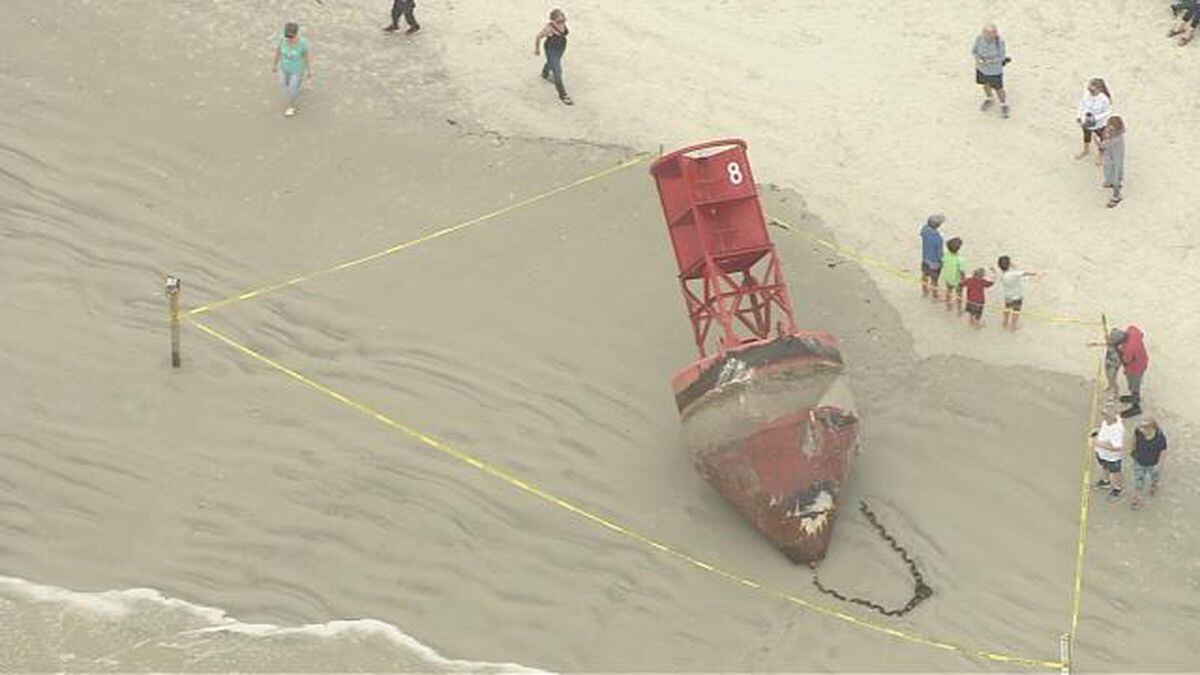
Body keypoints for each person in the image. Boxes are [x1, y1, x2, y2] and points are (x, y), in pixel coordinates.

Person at [271, 22, 311, 118]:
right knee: (284, 85)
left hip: (296, 70)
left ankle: (291, 106)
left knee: (292, 90)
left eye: (291, 37)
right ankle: (297, 89)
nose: (289, 39)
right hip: (283, 68)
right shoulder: (282, 40)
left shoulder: (303, 43)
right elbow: (278, 52)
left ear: (296, 34)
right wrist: (274, 65)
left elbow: (306, 57)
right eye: (287, 36)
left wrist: (309, 70)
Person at [534, 9, 573, 105]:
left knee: (553, 62)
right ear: (553, 20)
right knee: (557, 71)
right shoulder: (549, 28)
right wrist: (537, 49)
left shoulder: (563, 23)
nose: (562, 22)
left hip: (561, 47)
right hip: (551, 48)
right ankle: (563, 95)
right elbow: (538, 36)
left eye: (563, 20)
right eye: (559, 21)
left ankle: (545, 73)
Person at [1129, 417, 1168, 510]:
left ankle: (1154, 485)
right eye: (1141, 427)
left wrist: (1160, 464)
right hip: (1139, 462)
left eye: (1144, 428)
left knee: (1154, 476)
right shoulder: (1138, 432)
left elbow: (1163, 451)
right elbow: (1134, 440)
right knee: (1138, 481)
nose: (1141, 430)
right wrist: (1132, 450)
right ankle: (1137, 500)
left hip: (1153, 463)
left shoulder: (1160, 438)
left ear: (1152, 428)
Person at [972, 24, 1010, 118]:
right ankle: (989, 98)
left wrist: (988, 61)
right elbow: (974, 51)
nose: (990, 36)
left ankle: (1003, 104)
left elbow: (1001, 57)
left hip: (994, 71)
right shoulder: (979, 38)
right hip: (981, 68)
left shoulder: (1000, 42)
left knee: (998, 88)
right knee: (985, 84)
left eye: (993, 34)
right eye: (987, 34)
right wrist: (978, 58)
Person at [1091, 406, 1126, 502]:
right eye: (1103, 414)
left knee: (1115, 473)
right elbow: (1104, 429)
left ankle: (1117, 489)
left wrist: (1098, 443)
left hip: (1112, 458)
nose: (1103, 417)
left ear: (1113, 415)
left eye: (1106, 415)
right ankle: (1105, 482)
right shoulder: (1107, 421)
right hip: (1102, 454)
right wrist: (1098, 431)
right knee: (1104, 467)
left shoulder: (1117, 430)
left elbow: (1117, 447)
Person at [1115, 324, 1149, 418]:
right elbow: (1141, 334)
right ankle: (1133, 398)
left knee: (1134, 386)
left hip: (1135, 368)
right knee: (1134, 384)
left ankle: (1136, 406)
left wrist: (1118, 350)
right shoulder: (1132, 330)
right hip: (1142, 359)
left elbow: (1125, 361)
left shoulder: (1130, 348)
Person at [1075, 78, 1113, 164]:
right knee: (1086, 135)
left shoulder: (1104, 100)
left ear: (1099, 90)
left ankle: (1100, 154)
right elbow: (1082, 104)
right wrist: (1079, 116)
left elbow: (1108, 112)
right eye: (1089, 89)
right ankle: (1085, 150)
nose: (1090, 92)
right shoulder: (1086, 95)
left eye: (1093, 90)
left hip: (1099, 124)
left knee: (1102, 139)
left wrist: (1096, 118)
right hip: (1086, 121)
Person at [995, 255, 1037, 331]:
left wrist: (1011, 265)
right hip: (1017, 296)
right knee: (1016, 311)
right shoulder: (1013, 274)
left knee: (1007, 309)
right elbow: (1024, 273)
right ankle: (1013, 326)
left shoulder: (1001, 274)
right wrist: (1035, 273)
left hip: (1007, 296)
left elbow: (1013, 270)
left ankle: (1005, 323)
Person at [1098, 116, 1126, 208]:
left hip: (1114, 161)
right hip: (1111, 158)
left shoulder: (1115, 139)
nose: (1109, 128)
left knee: (1115, 178)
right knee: (1110, 173)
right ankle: (1110, 183)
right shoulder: (1117, 135)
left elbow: (1102, 146)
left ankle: (1116, 196)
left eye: (1111, 127)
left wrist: (1096, 140)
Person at [919, 214, 945, 300]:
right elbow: (939, 253)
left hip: (925, 258)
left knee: (924, 275)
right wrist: (942, 261)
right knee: (934, 280)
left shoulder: (925, 231)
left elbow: (922, 231)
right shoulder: (938, 238)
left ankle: (924, 291)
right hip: (935, 263)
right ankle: (935, 295)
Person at [938, 237, 966, 315]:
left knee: (948, 291)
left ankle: (948, 305)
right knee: (959, 295)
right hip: (957, 280)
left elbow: (942, 262)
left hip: (948, 277)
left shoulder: (945, 255)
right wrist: (964, 279)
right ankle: (959, 309)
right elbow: (962, 271)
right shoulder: (960, 259)